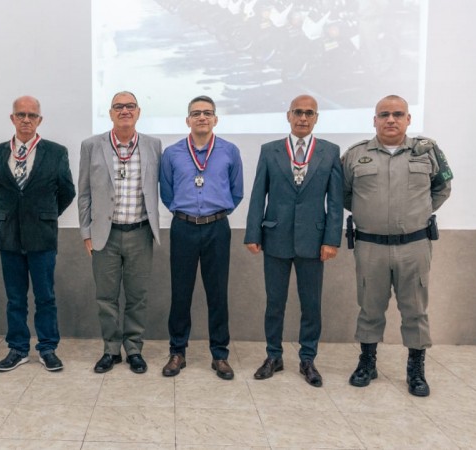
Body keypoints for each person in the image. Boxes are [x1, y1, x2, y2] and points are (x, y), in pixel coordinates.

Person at [342, 94, 452, 397]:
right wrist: (372, 215)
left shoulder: (427, 152)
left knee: (415, 310)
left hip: (414, 245)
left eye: (398, 114)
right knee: (370, 308)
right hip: (370, 246)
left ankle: (415, 370)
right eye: (384, 114)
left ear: (408, 119)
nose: (391, 119)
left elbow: (443, 188)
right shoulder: (355, 155)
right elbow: (344, 194)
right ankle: (367, 363)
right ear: (374, 120)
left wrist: (416, 213)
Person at [244, 95, 343, 387]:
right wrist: (253, 233)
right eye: (298, 112)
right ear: (288, 115)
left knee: (311, 304)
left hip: (314, 242)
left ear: (316, 118)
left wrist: (332, 240)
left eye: (309, 113)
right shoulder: (270, 150)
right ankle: (273, 356)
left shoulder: (329, 152)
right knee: (275, 302)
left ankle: (308, 359)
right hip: (275, 237)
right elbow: (257, 194)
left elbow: (335, 202)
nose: (303, 117)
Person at [0, 96, 75, 372]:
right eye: (21, 114)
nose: (26, 119)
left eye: (32, 115)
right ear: (12, 118)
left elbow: (67, 191)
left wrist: (44, 214)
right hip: (9, 236)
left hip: (42, 236)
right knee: (15, 298)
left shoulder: (56, 152)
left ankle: (47, 348)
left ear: (40, 120)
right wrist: (14, 215)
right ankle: (18, 348)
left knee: (45, 296)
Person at [159, 95, 244, 380]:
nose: (202, 117)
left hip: (216, 228)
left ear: (215, 119)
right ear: (188, 120)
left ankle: (219, 355)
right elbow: (167, 192)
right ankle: (177, 352)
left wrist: (215, 212)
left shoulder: (230, 151)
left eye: (207, 113)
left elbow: (237, 191)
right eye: (196, 113)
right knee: (180, 293)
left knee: (217, 293)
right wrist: (184, 212)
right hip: (183, 227)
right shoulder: (172, 153)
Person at [78, 91, 162, 374]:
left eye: (130, 106)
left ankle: (134, 349)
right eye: (118, 107)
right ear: (110, 113)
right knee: (106, 296)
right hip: (106, 234)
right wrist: (86, 233)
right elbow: (84, 193)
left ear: (138, 112)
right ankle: (111, 350)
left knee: (138, 296)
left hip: (140, 232)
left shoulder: (153, 145)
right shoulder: (92, 145)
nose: (124, 111)